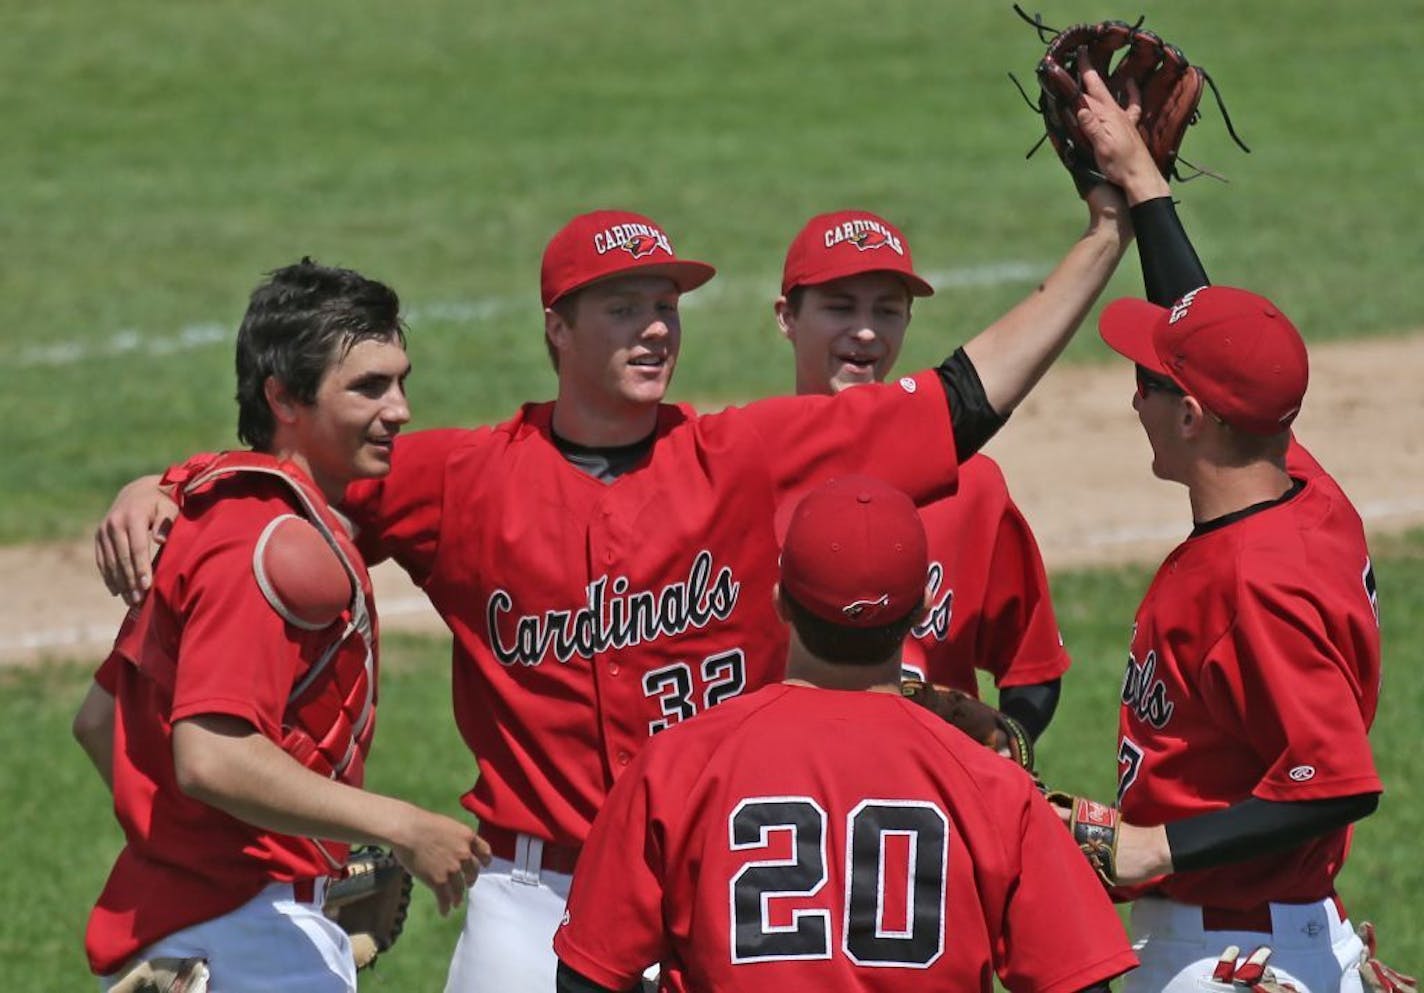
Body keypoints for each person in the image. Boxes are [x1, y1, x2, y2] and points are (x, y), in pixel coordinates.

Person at [92, 71, 1164, 993]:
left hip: (716, 867)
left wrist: (1105, 234)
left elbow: (962, 400)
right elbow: (289, 478)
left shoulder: (746, 456)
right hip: (529, 891)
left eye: (666, 303)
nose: (654, 325)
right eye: (621, 307)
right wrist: (171, 482)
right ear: (556, 330)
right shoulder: (451, 477)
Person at [72, 260, 491, 992]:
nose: (400, 408)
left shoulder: (211, 519)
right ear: (284, 396)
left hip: (196, 927)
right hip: (249, 940)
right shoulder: (273, 544)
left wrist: (193, 851)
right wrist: (401, 825)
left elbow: (98, 719)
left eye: (401, 380)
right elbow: (211, 757)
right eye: (368, 386)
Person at [553, 474, 1139, 993]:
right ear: (921, 612)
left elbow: (586, 976)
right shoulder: (990, 786)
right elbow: (1077, 982)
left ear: (781, 602)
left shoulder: (680, 764)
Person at [1057, 69, 1384, 993]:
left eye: (1147, 384)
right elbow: (1210, 341)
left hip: (1226, 953)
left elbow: (1339, 780)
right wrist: (1145, 184)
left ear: (1194, 418)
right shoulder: (1303, 491)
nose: (1133, 395)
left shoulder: (1256, 583)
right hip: (1268, 928)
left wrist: (1152, 843)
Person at [774, 209, 1068, 742]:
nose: (865, 331)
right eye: (840, 307)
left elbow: (1034, 668)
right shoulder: (743, 475)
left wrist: (1003, 748)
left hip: (927, 807)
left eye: (887, 310)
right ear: (786, 317)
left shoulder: (972, 485)